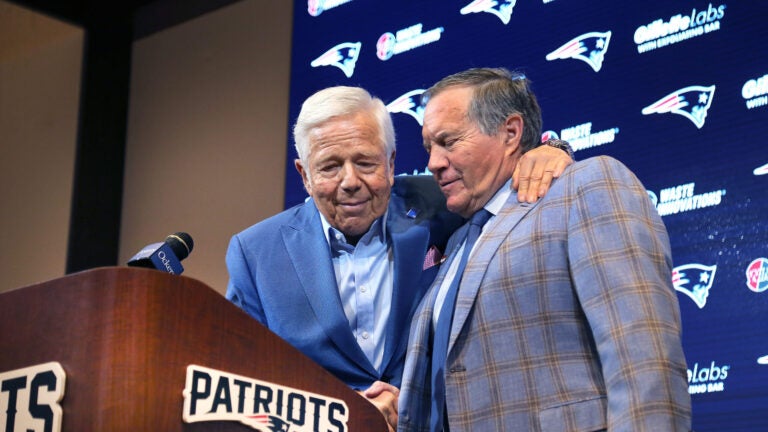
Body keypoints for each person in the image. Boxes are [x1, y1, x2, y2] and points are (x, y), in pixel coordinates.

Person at [225, 85, 573, 428]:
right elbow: (237, 377)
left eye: (365, 162)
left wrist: (553, 150)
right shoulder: (255, 252)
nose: (350, 181)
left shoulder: (442, 202)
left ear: (391, 163)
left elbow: (499, 172)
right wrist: (342, 413)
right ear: (305, 175)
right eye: (330, 167)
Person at [398, 68, 691, 431]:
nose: (433, 163)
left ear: (510, 133)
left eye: (449, 141)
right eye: (430, 147)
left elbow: (644, 356)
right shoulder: (457, 241)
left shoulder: (584, 186)